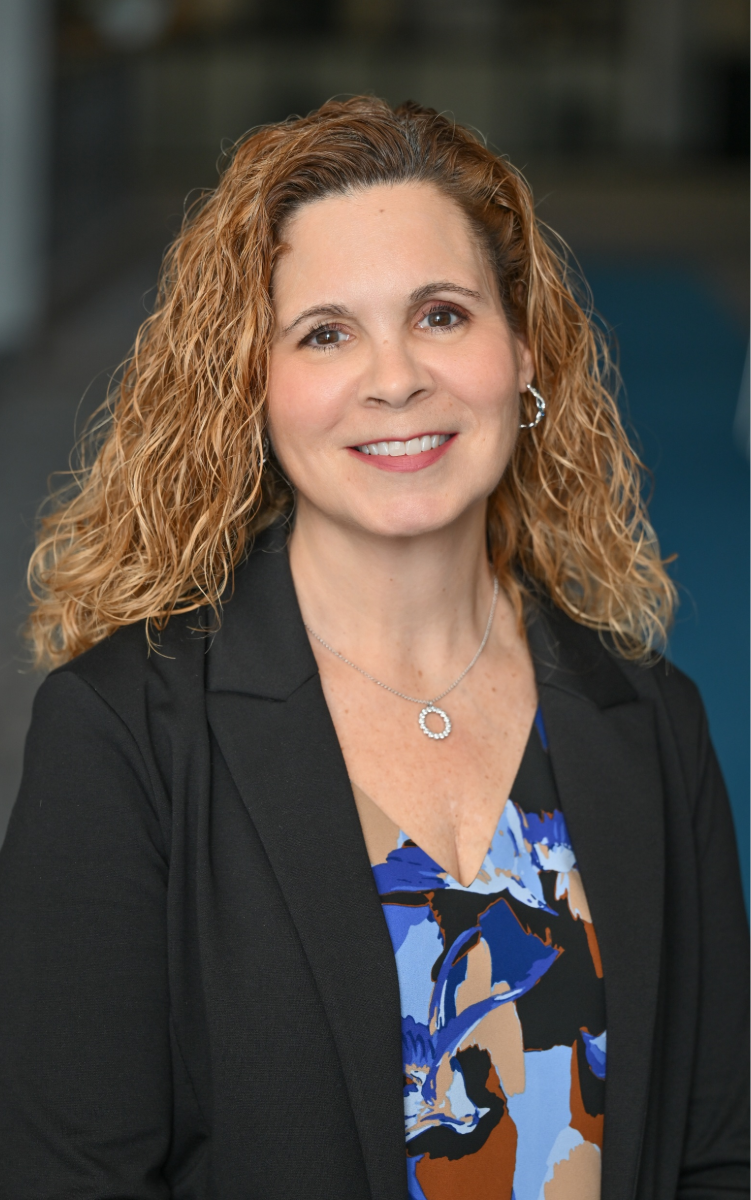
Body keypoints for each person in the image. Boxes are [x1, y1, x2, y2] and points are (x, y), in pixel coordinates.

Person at [0, 97, 746, 1200]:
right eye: (326, 332)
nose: (394, 377)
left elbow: (718, 1150)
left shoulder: (648, 720)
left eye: (442, 315)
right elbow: (69, 1176)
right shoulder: (125, 735)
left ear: (522, 353)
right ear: (250, 386)